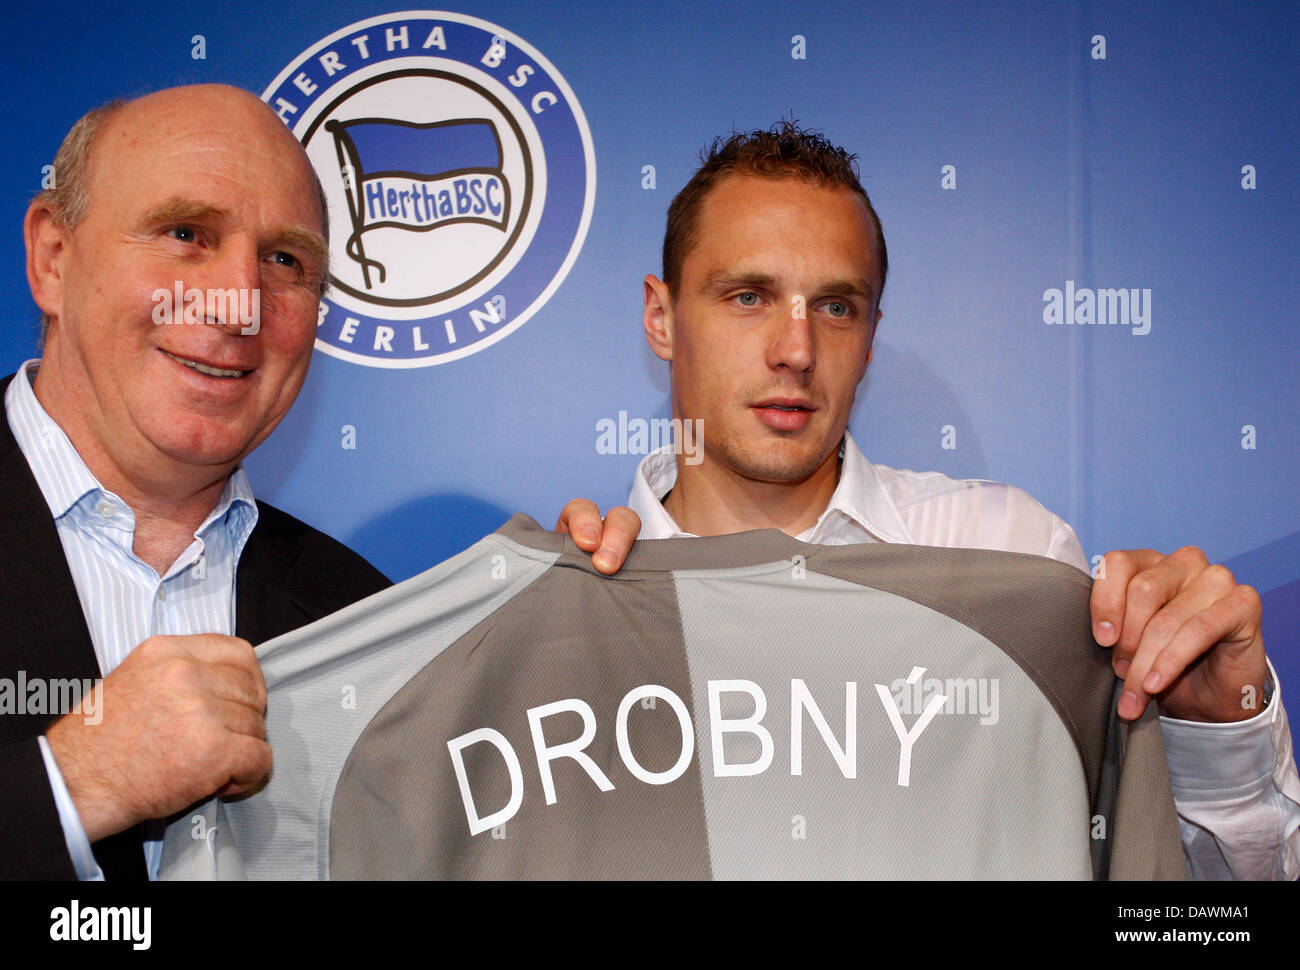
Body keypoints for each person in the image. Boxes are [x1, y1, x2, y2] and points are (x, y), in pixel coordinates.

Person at [628, 122, 1300, 879]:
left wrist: (1220, 738)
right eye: (748, 296)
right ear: (661, 316)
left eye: (837, 307)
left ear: (872, 335)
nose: (797, 349)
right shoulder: (571, 603)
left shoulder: (1013, 551)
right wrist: (563, 599)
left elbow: (1199, 928)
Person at [0, 84, 637, 880]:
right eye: (186, 233)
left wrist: (591, 648)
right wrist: (71, 785)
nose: (241, 304)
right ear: (52, 259)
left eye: (284, 261)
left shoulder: (364, 618)